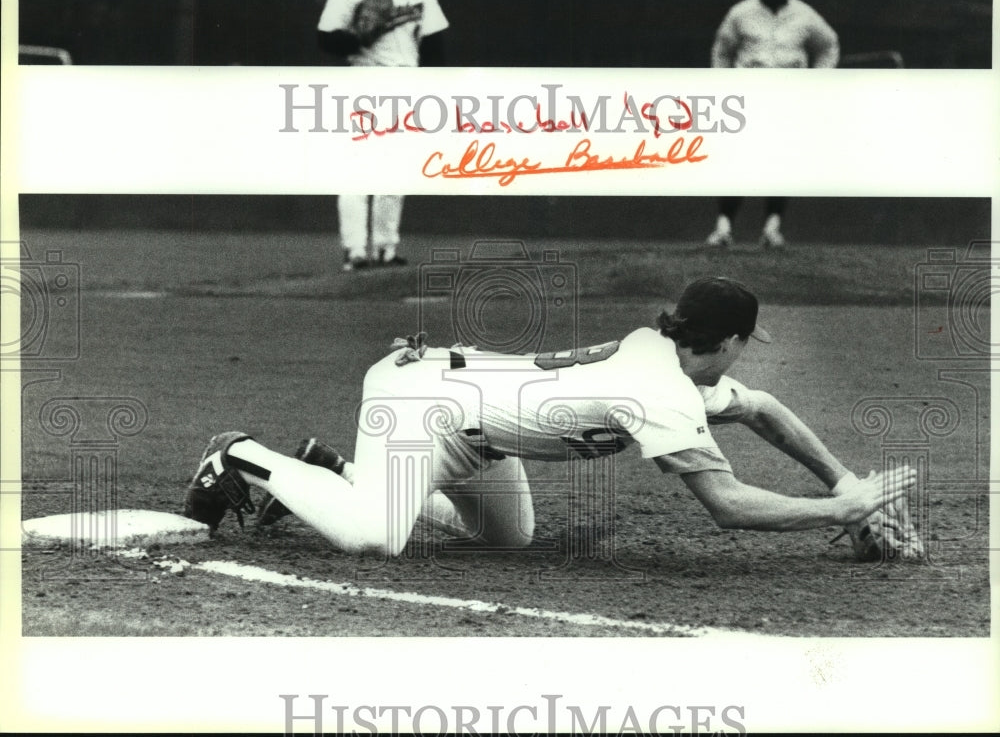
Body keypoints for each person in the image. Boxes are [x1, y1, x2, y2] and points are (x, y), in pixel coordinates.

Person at [184, 276, 915, 558]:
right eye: (745, 343)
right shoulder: (656, 386)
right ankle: (240, 455)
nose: (746, 357)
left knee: (508, 538)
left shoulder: (662, 356)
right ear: (724, 341)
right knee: (375, 538)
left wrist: (844, 480)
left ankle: (335, 470)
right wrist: (836, 508)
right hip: (417, 404)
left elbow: (761, 409)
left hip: (477, 427)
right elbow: (726, 506)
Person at [316, 0, 449, 271]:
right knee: (356, 168)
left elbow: (433, 44)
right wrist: (358, 36)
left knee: (395, 170)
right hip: (362, 79)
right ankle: (355, 250)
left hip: (405, 80)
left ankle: (386, 249)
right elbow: (326, 40)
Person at [706, 0, 839, 249]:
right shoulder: (741, 13)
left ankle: (772, 228)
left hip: (787, 98)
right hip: (748, 96)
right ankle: (724, 227)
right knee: (738, 160)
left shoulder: (804, 15)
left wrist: (817, 81)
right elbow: (722, 51)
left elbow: (828, 45)